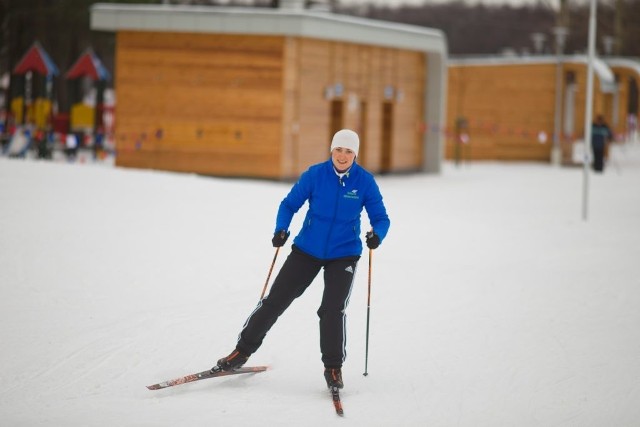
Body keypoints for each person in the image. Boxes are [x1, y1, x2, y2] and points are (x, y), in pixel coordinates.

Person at [214, 129, 390, 390]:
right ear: (332, 150)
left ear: (356, 154)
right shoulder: (315, 175)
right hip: (307, 249)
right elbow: (289, 204)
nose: (342, 156)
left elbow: (381, 218)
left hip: (344, 254)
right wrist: (281, 228)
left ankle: (333, 368)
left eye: (349, 151)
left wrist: (378, 235)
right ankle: (240, 353)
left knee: (332, 309)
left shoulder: (364, 182)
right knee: (275, 301)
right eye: (339, 150)